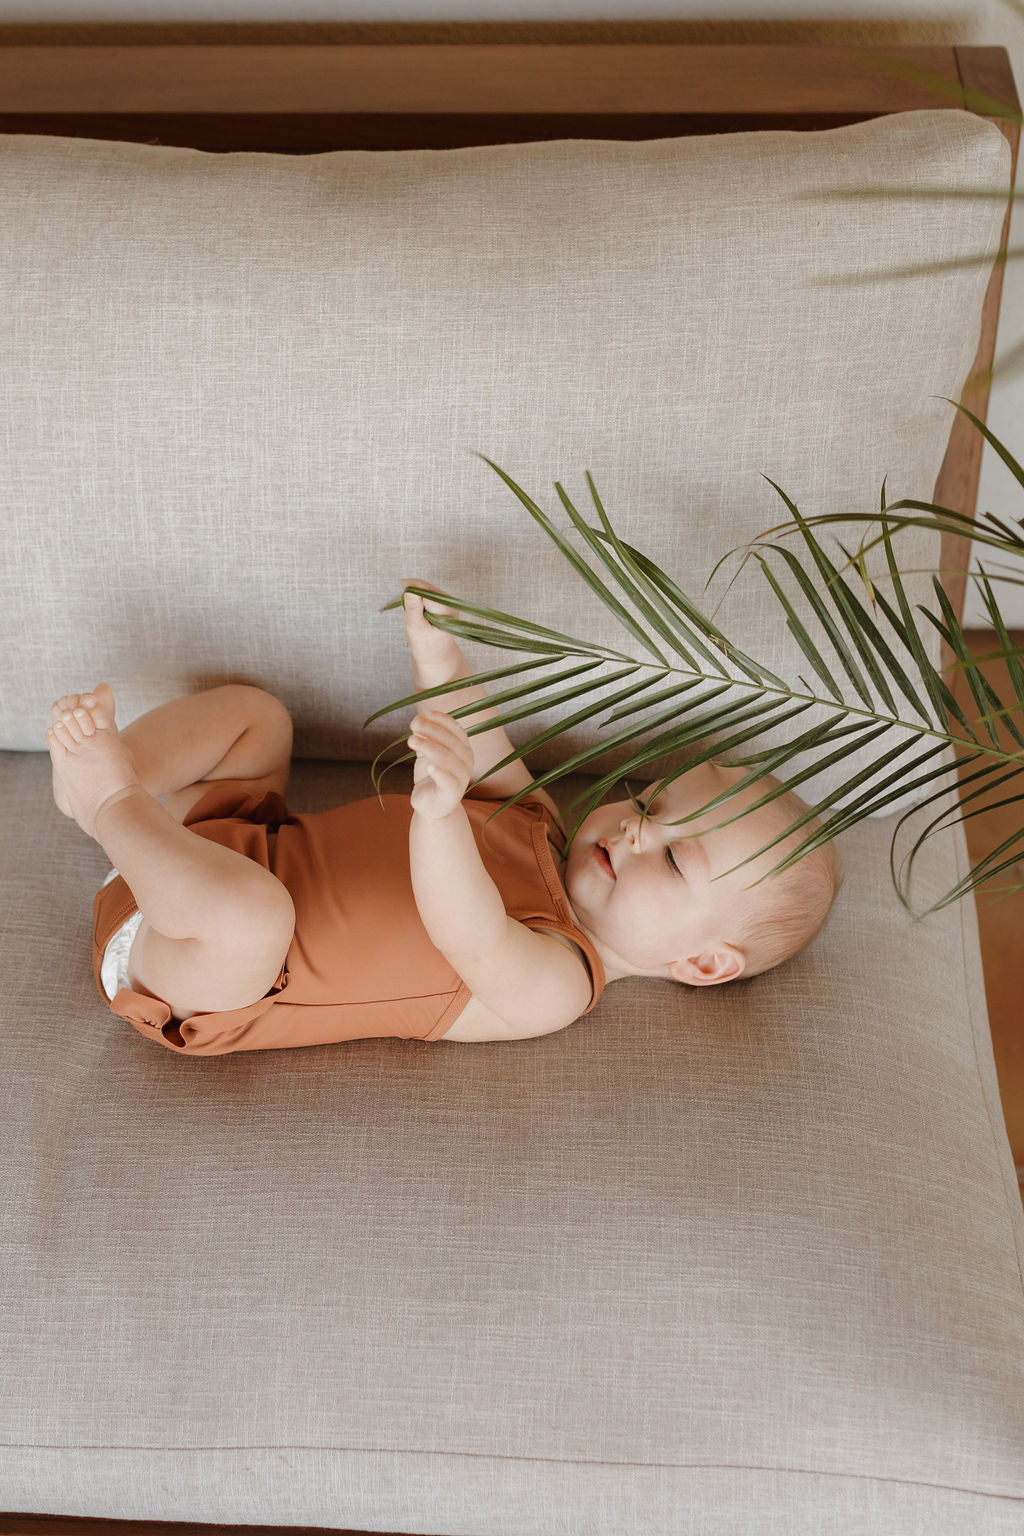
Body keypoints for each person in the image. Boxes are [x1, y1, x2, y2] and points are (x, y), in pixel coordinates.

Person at [49, 581, 839, 1057]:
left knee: (253, 917)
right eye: (648, 802)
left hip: (203, 971)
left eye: (672, 860)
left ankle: (108, 803)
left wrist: (437, 817)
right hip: (210, 854)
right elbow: (482, 744)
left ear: (703, 963)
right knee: (258, 719)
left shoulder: (561, 983)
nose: (637, 829)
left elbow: (470, 932)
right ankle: (118, 775)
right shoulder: (538, 825)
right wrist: (443, 664)